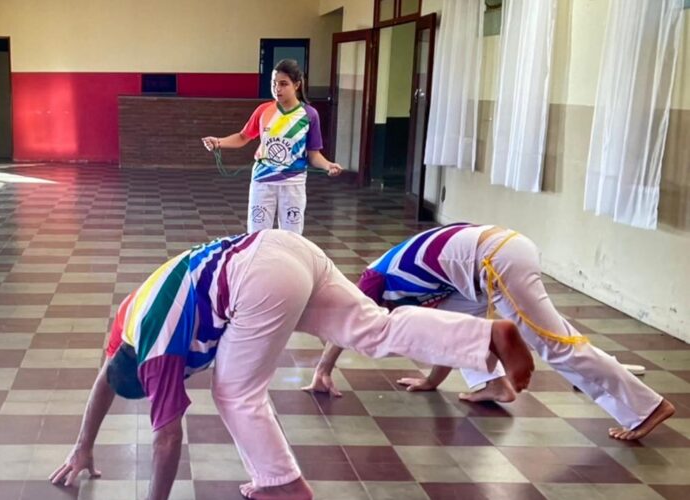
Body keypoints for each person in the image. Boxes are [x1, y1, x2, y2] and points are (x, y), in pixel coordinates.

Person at [51, 229, 535, 499]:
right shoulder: (127, 326)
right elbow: (105, 378)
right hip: (288, 249)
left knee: (234, 392)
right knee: (374, 328)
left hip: (258, 279)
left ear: (145, 372)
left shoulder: (155, 355)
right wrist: (82, 446)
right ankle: (485, 336)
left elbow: (167, 438)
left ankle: (280, 484)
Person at [303, 223, 675, 441]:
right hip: (484, 266)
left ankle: (645, 407)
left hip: (495, 260)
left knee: (554, 345)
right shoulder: (402, 284)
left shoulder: (371, 281)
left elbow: (346, 328)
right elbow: (445, 335)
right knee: (459, 326)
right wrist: (432, 382)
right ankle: (492, 384)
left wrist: (323, 369)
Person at [202, 59, 343, 235]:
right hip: (262, 180)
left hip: (293, 183)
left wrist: (328, 165)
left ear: (297, 85)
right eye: (274, 83)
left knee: (292, 236)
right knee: (258, 234)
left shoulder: (309, 115)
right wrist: (218, 142)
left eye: (283, 84)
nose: (277, 88)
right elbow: (243, 137)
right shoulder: (263, 110)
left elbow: (314, 154)